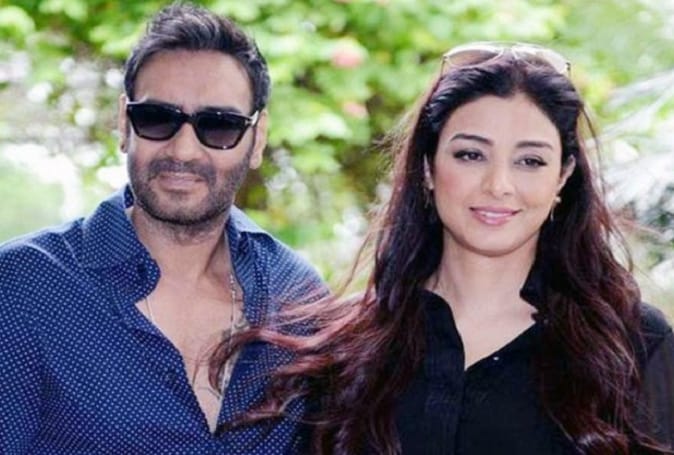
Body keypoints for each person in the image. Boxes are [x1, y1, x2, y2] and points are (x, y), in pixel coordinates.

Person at [236, 43, 674, 454]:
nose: (498, 185)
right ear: (428, 167)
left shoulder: (631, 345)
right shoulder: (344, 349)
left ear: (562, 176)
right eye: (470, 155)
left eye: (530, 161)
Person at [0, 3, 325, 454]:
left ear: (258, 138)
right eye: (157, 118)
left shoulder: (299, 297)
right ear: (124, 123)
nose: (183, 150)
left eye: (219, 126)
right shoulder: (23, 287)